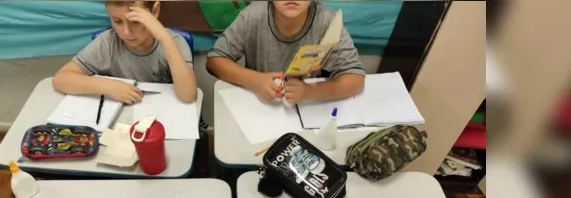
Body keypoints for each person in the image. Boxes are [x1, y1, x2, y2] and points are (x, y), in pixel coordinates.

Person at [206, 1, 364, 104]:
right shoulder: (252, 15)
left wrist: (309, 92)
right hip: (259, 104)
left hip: (305, 109)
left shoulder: (326, 20)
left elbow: (355, 78)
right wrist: (254, 80)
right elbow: (214, 61)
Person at [52, 0, 197, 103]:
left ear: (155, 10)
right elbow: (60, 79)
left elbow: (188, 95)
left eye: (135, 21)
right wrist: (108, 87)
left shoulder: (174, 42)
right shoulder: (108, 42)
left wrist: (165, 39)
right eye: (117, 21)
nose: (126, 32)